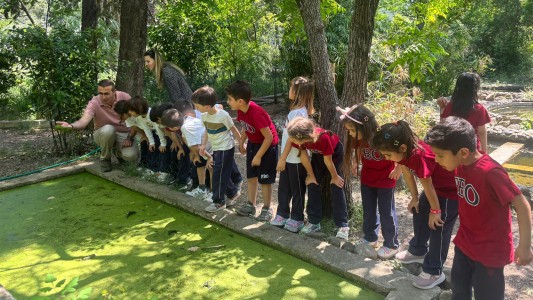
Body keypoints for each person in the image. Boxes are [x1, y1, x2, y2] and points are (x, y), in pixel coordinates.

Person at [425, 117, 532, 299]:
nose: (436, 160)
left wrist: (524, 246)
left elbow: (521, 205)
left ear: (463, 152)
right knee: (458, 290)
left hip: (489, 252)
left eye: (440, 155)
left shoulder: (490, 172)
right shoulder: (459, 163)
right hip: (465, 243)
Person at [371, 120, 458, 289]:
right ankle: (418, 250)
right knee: (419, 211)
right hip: (435, 188)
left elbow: (428, 183)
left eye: (388, 155)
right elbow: (407, 174)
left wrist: (435, 210)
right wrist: (414, 198)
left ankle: (434, 271)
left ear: (402, 148)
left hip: (450, 190)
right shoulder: (404, 153)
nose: (386, 158)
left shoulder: (418, 155)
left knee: (438, 227)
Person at [339, 104, 401, 259]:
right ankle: (370, 237)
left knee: (387, 212)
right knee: (369, 209)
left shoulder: (383, 136)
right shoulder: (360, 138)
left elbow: (401, 152)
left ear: (364, 126)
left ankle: (391, 243)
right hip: (367, 179)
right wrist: (355, 162)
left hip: (386, 179)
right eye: (349, 131)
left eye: (352, 130)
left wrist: (398, 169)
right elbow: (358, 151)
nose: (351, 134)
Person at [287, 116, 350, 240]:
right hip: (318, 155)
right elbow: (304, 156)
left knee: (336, 185)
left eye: (293, 138)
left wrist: (335, 176)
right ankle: (314, 222)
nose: (291, 140)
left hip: (334, 155)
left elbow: (328, 160)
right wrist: (311, 175)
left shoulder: (323, 138)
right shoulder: (302, 139)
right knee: (312, 184)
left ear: (302, 137)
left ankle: (342, 225)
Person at [56, 79, 138, 172]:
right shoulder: (94, 102)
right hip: (103, 133)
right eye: (100, 93)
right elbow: (83, 121)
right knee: (109, 129)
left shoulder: (125, 97)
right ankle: (105, 159)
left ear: (114, 92)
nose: (103, 97)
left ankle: (118, 153)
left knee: (131, 156)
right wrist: (71, 126)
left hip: (124, 133)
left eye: (106, 94)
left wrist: (129, 138)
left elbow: (136, 120)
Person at [227, 80, 279, 222]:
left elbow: (268, 138)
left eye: (230, 99)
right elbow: (245, 126)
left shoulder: (257, 113)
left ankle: (267, 209)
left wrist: (258, 156)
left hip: (267, 147)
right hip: (254, 144)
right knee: (251, 176)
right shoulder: (241, 111)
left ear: (241, 101)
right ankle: (251, 205)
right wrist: (242, 142)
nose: (228, 102)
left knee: (264, 179)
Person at [192, 86, 243, 213]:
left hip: (226, 148)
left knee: (218, 174)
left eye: (197, 106)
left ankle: (219, 202)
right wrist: (203, 145)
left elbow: (234, 130)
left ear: (207, 106)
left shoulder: (223, 116)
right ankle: (232, 192)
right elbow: (207, 131)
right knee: (220, 172)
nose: (196, 109)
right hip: (216, 148)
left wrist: (242, 144)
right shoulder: (204, 116)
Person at [272, 77, 314, 233]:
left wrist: (282, 158)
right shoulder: (295, 111)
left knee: (297, 189)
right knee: (284, 187)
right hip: (289, 158)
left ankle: (297, 218)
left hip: (296, 159)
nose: (288, 90)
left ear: (298, 93)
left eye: (291, 87)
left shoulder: (298, 112)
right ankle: (282, 213)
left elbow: (292, 138)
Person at [161, 108, 213, 201]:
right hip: (202, 146)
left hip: (210, 146)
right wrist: (195, 154)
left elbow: (197, 146)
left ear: (174, 128)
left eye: (168, 128)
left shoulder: (186, 128)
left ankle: (214, 194)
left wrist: (209, 157)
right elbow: (188, 142)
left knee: (211, 168)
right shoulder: (186, 120)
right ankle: (202, 189)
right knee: (199, 163)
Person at [437, 72, 490, 152]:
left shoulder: (451, 106)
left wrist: (442, 108)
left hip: (452, 149)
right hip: (471, 150)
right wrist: (485, 152)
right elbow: (481, 132)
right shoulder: (479, 109)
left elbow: (443, 124)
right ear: (475, 88)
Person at [127, 96, 169, 181]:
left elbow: (158, 129)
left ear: (138, 108)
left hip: (162, 135)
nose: (129, 113)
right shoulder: (139, 117)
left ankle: (162, 171)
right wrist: (151, 142)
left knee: (162, 152)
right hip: (154, 134)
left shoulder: (151, 114)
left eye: (131, 110)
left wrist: (163, 143)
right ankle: (151, 169)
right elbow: (146, 129)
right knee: (151, 149)